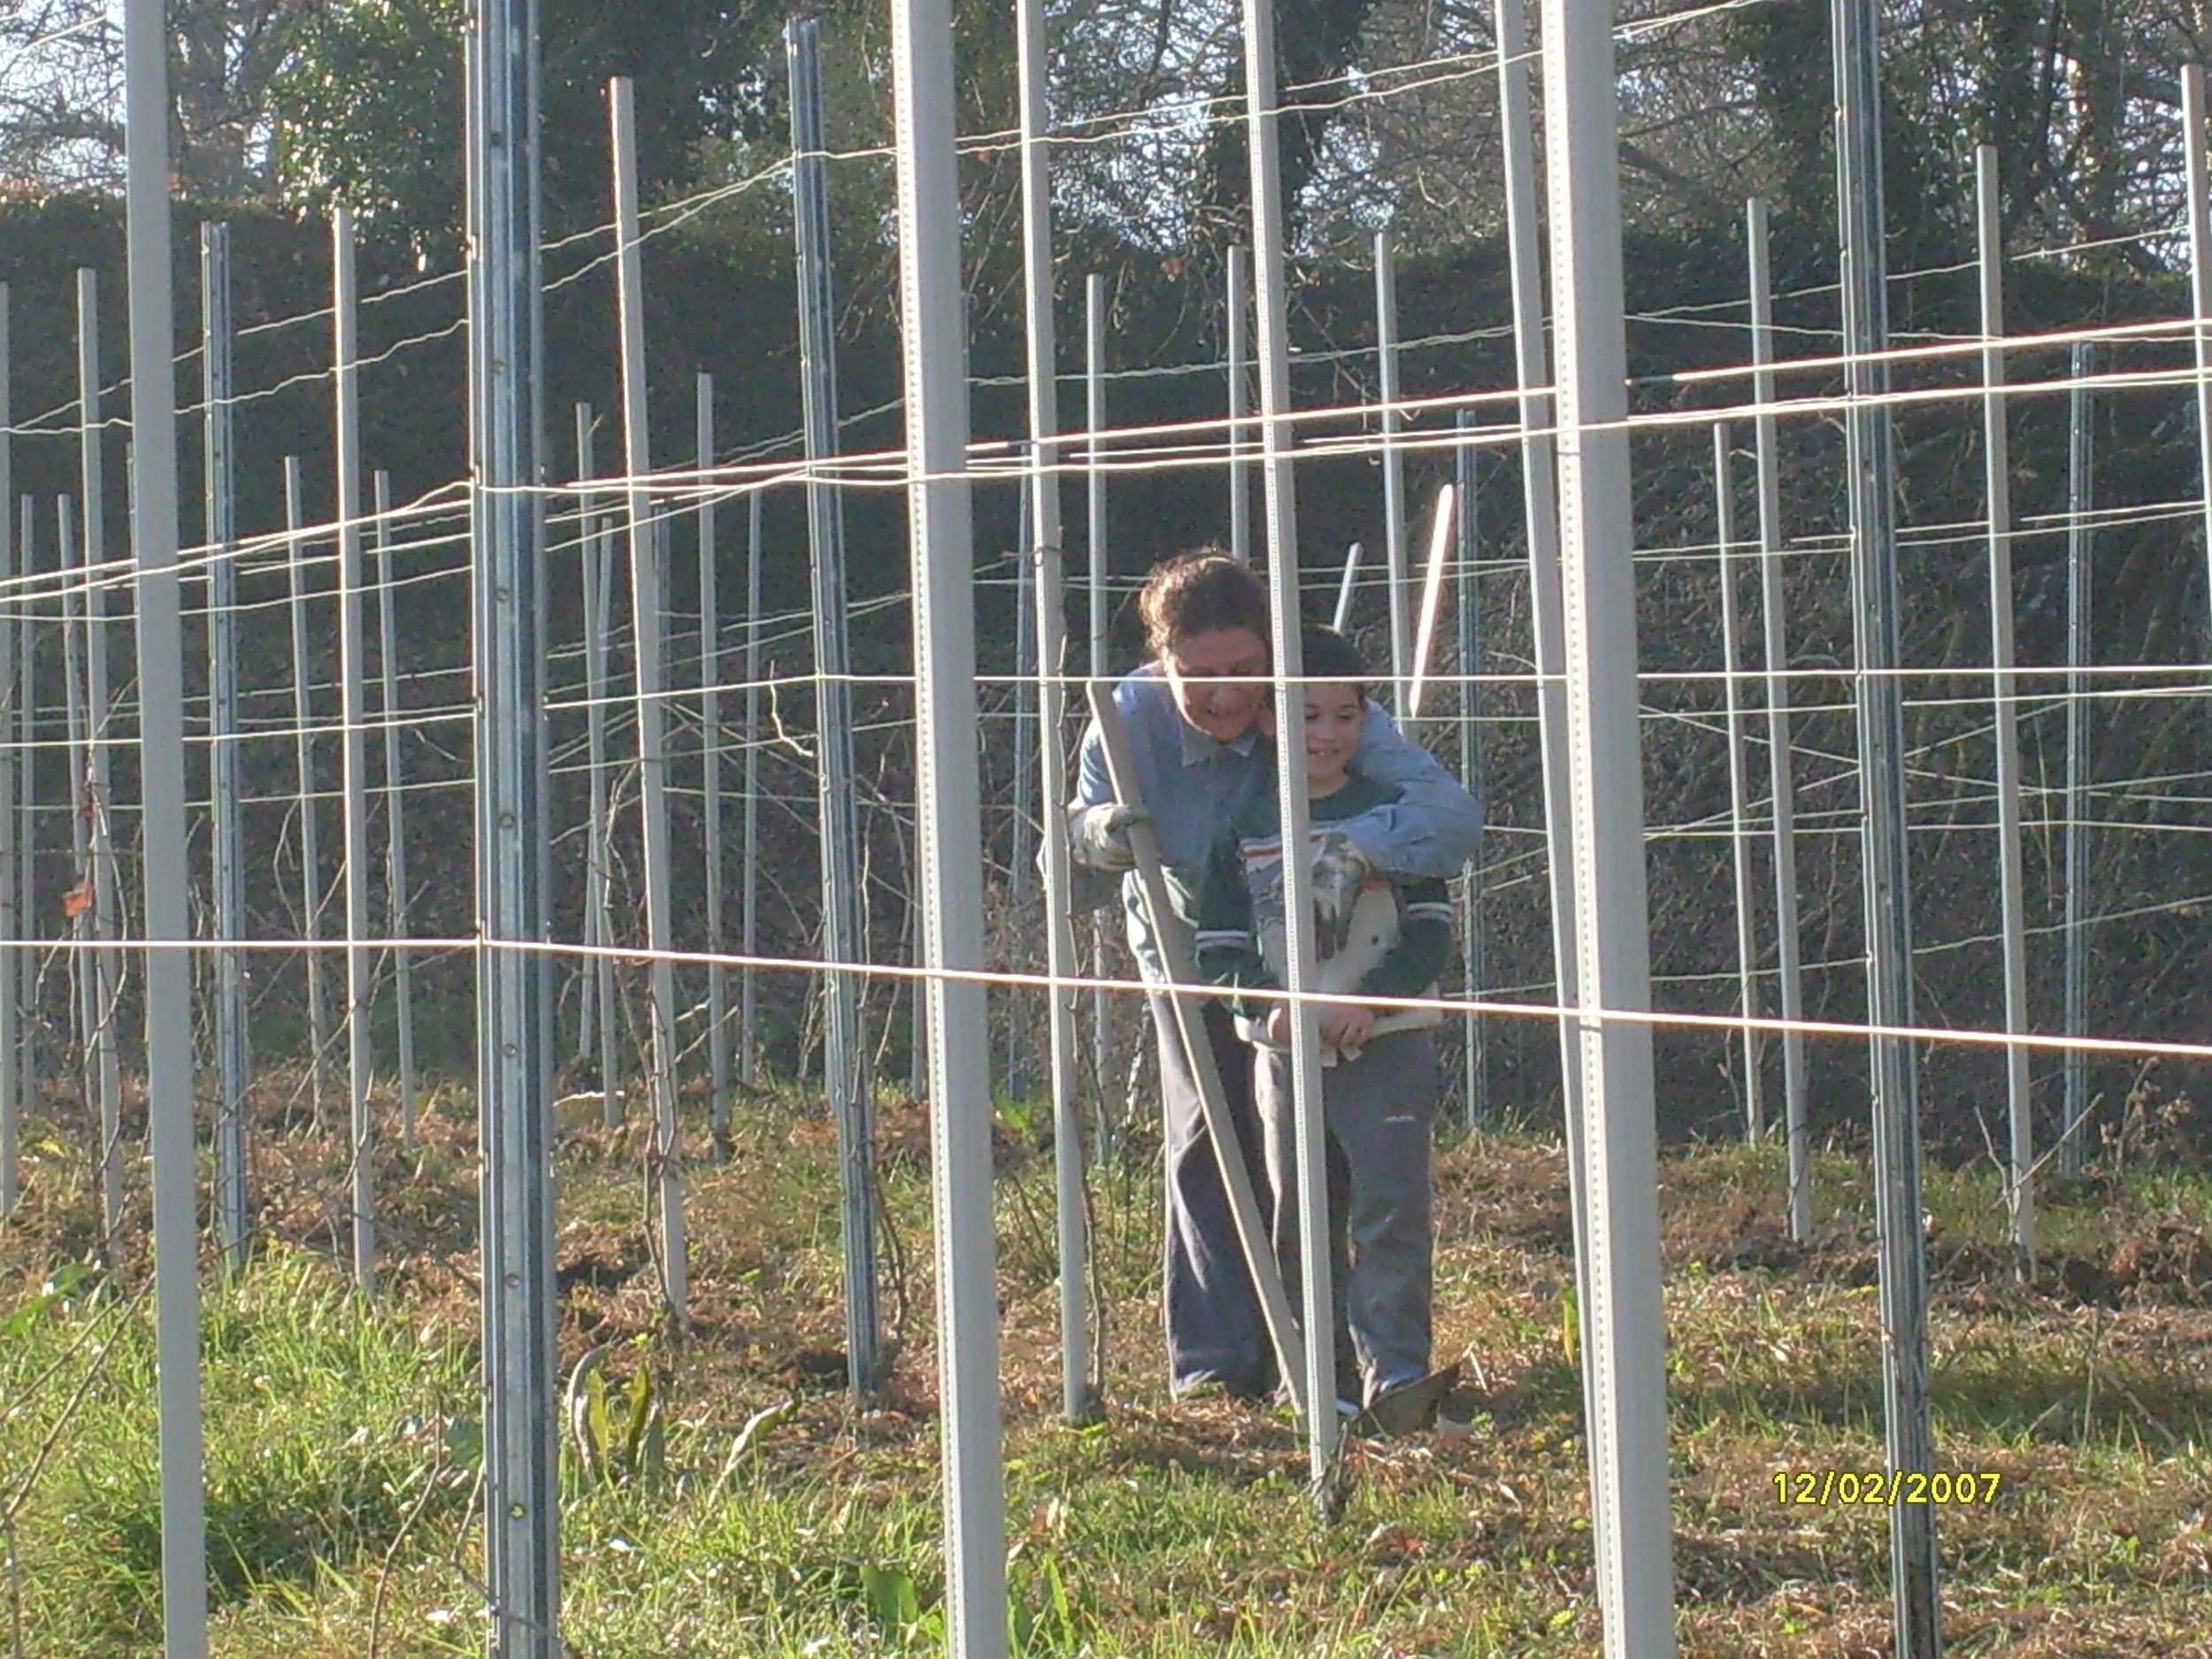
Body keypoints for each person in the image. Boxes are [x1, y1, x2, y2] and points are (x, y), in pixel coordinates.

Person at [1068, 551, 1480, 1402]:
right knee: (1209, 1132)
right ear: (1162, 662)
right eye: (1200, 676)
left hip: (1319, 964)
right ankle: (1217, 1367)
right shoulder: (1123, 719)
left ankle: (1330, 1361)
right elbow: (1063, 861)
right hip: (1193, 948)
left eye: (1245, 673)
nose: (1225, 695)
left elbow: (1448, 818)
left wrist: (1352, 845)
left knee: (1317, 1160)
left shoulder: (1313, 699)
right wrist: (1102, 832)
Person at [1194, 624, 1452, 1423]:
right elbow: (1220, 946)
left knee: (1391, 1215)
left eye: (1345, 715)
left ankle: (1398, 1379)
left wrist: (1364, 1005)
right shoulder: (1242, 821)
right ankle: (1318, 1384)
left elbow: (1431, 928)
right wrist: (1267, 1008)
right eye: (1307, 715)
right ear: (1271, 718)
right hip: (1284, 1054)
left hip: (1391, 1046)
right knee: (1301, 1216)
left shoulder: (1398, 814)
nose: (1327, 734)